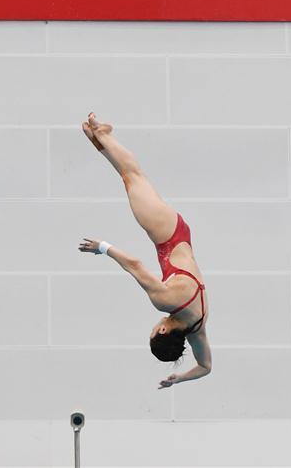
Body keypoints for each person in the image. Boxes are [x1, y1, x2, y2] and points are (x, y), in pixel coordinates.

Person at [79, 113, 212, 388]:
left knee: (131, 181)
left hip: (180, 235)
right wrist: (103, 248)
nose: (156, 324)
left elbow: (205, 367)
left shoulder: (197, 329)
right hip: (167, 236)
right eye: (154, 330)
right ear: (162, 330)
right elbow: (136, 266)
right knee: (133, 177)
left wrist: (178, 379)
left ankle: (101, 143)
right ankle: (104, 134)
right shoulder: (164, 300)